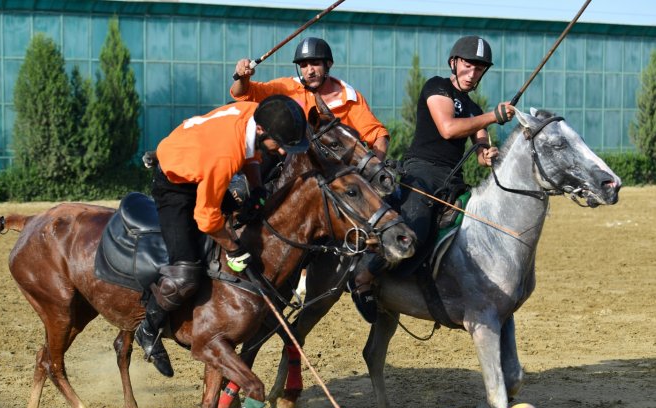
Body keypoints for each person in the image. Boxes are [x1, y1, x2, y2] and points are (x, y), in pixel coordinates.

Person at [137, 95, 309, 377]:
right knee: (185, 273)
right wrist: (233, 248)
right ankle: (148, 329)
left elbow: (251, 153)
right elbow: (207, 217)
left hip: (201, 161)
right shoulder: (225, 154)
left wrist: (256, 189)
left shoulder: (255, 112)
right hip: (176, 184)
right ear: (264, 131)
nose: (281, 153)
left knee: (252, 212)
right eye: (280, 145)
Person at [350, 35, 517, 323]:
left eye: (479, 69)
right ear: (454, 63)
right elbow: (449, 129)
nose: (473, 73)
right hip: (421, 173)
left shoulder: (476, 110)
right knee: (416, 225)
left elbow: (479, 150)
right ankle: (364, 277)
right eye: (468, 65)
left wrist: (488, 154)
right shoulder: (436, 87)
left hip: (454, 181)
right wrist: (493, 116)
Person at [231, 36, 390, 161]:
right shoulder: (287, 86)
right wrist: (243, 78)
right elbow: (243, 93)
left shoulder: (351, 99)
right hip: (288, 166)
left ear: (329, 64)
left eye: (315, 63)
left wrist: (374, 171)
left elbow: (379, 136)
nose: (310, 71)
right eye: (304, 65)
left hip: (336, 174)